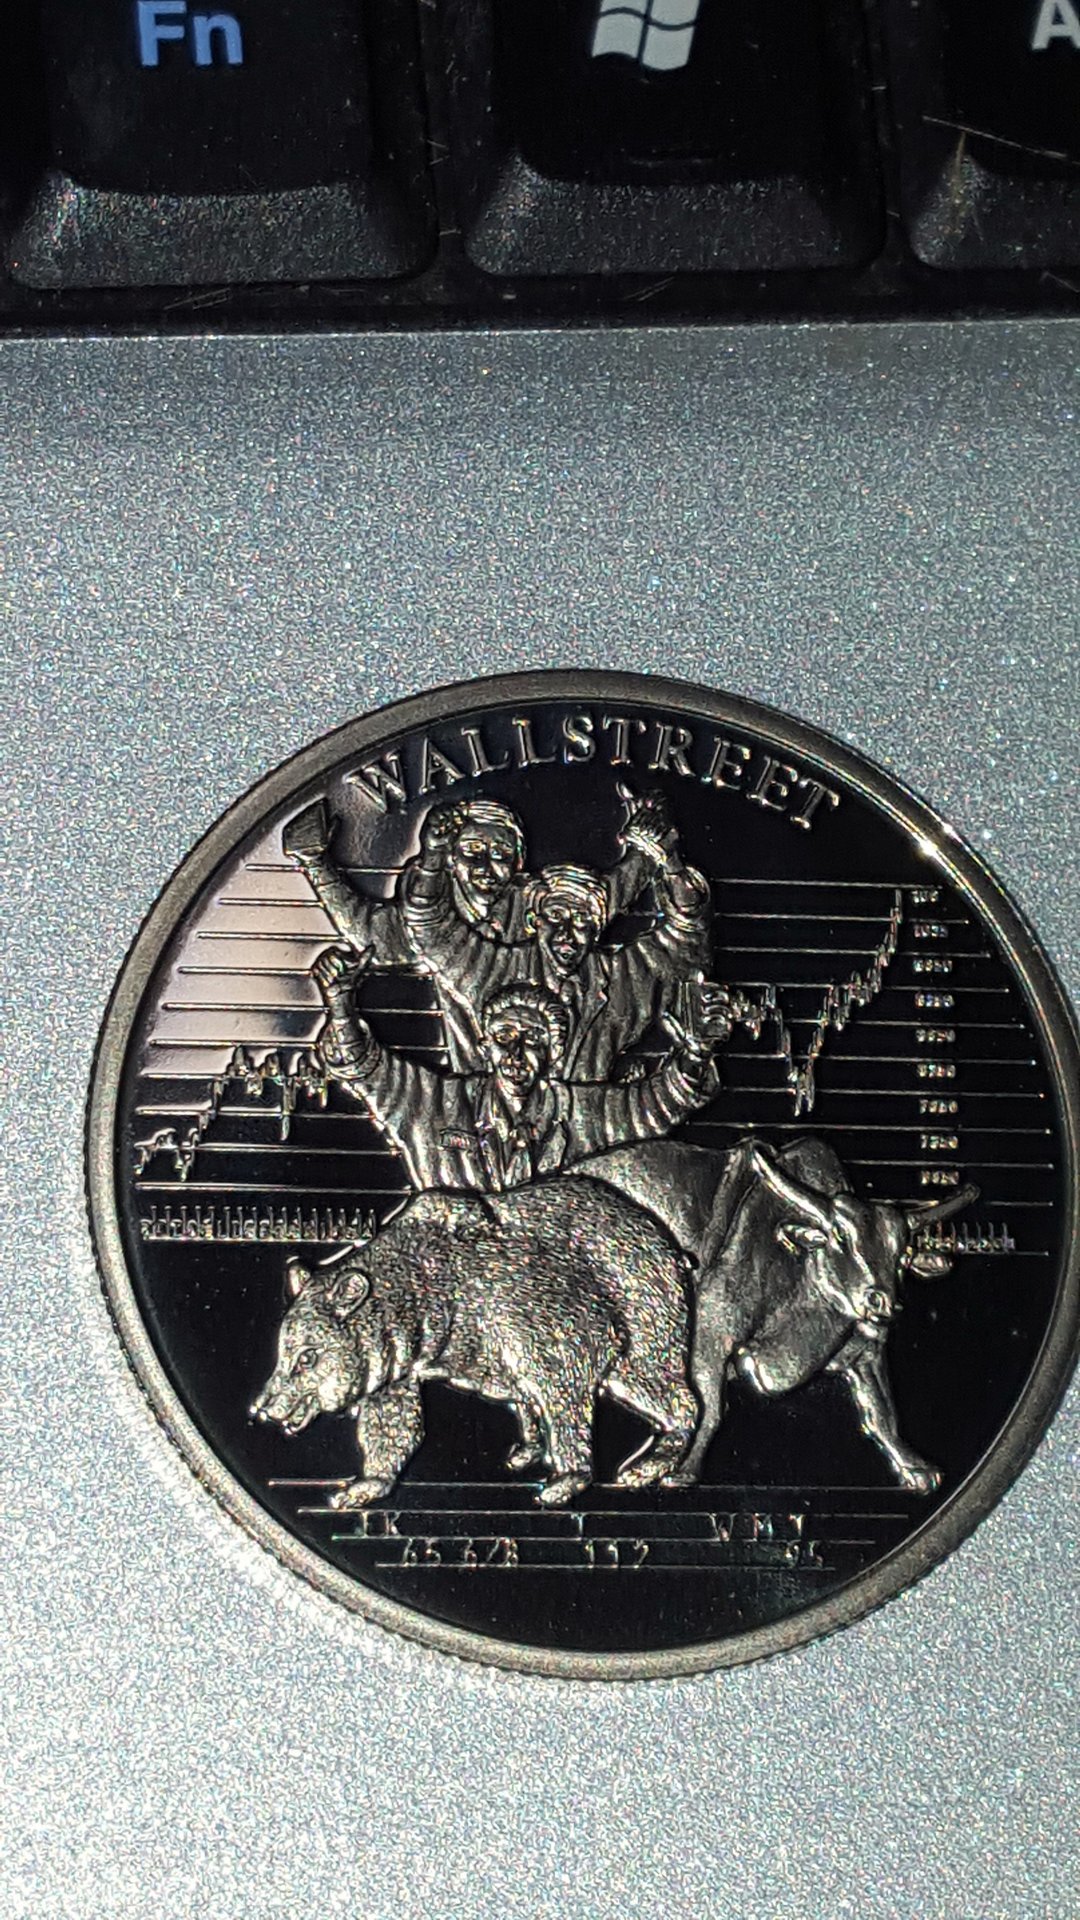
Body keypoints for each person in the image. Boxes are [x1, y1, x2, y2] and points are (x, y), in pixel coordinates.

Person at [312, 949, 730, 1196]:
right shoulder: (432, 1104)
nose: (515, 1053)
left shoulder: (587, 1113)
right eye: (503, 1038)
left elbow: (657, 1104)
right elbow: (366, 1069)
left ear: (553, 1054)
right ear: (484, 1047)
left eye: (531, 1040)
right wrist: (342, 1009)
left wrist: (697, 1051)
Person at [400, 794, 712, 1078]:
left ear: (597, 929)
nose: (567, 934)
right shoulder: (492, 969)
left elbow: (686, 941)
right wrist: (433, 858)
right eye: (556, 917)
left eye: (582, 921)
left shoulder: (623, 979)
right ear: (534, 921)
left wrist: (669, 862)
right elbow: (430, 926)